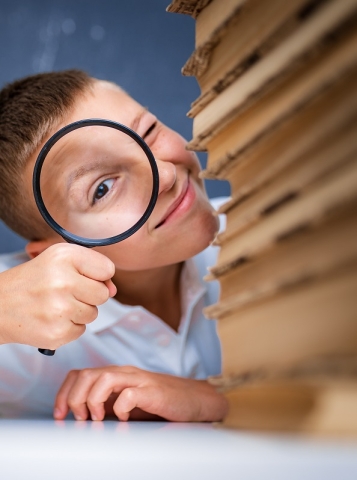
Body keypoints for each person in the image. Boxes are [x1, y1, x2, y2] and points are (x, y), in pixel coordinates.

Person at [0, 70, 228, 422]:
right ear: (52, 252)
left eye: (148, 132)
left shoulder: (266, 224)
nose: (166, 175)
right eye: (102, 189)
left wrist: (206, 397)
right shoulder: (19, 312)